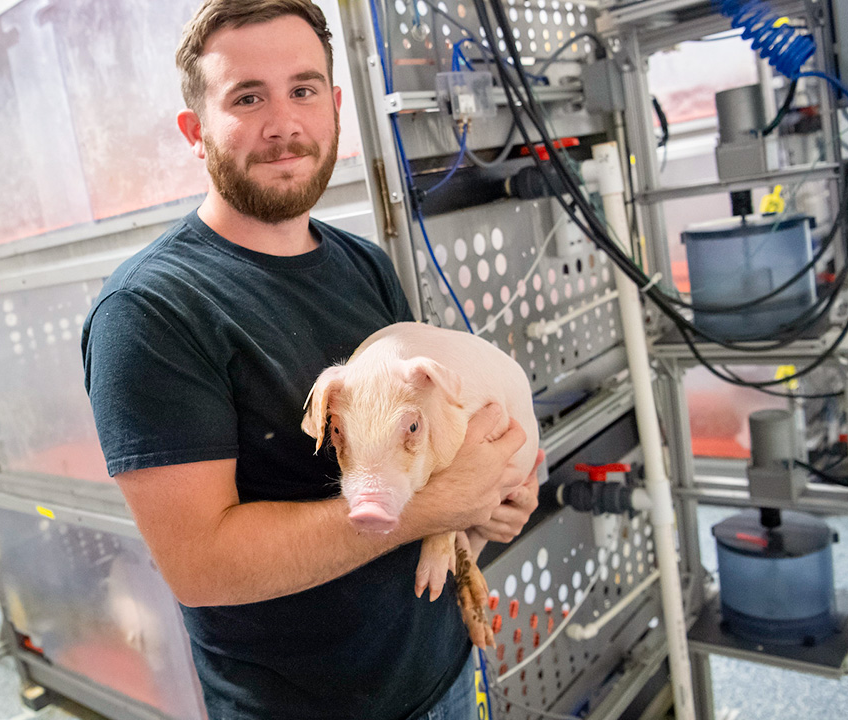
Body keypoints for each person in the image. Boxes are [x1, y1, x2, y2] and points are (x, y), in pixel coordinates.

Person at [81, 2, 540, 718]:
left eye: (302, 90)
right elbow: (201, 566)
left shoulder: (362, 263)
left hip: (442, 666)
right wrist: (442, 505)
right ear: (195, 133)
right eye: (247, 97)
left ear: (332, 107)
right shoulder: (150, 312)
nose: (283, 123)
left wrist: (493, 502)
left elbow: (423, 438)